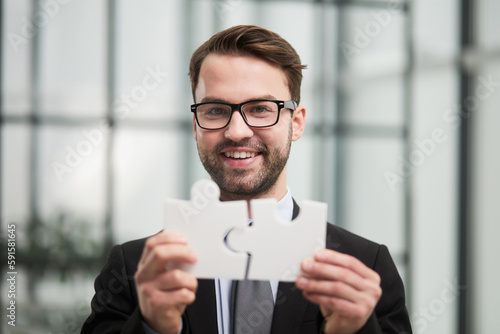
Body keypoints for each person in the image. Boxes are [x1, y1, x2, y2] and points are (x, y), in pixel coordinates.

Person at [81, 25, 412, 334]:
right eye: (214, 110)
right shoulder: (135, 270)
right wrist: (153, 326)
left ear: (296, 123)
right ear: (196, 126)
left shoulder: (366, 268)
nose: (236, 131)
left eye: (260, 109)